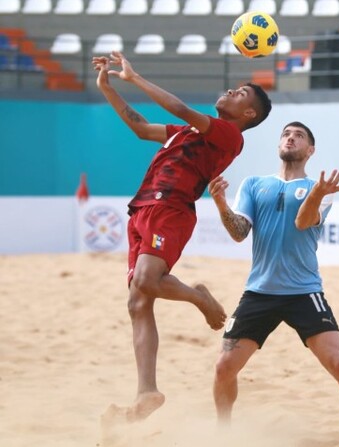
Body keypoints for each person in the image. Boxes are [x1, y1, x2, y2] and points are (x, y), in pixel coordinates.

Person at [92, 51, 272, 423]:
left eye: (240, 93)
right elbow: (141, 128)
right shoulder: (190, 133)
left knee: (146, 280)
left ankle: (199, 298)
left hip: (171, 207)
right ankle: (147, 392)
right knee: (137, 303)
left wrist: (134, 78)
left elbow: (178, 107)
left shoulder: (228, 134)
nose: (230, 91)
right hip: (142, 209)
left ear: (247, 115)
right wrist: (108, 89)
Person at [208, 122, 339, 442]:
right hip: (259, 292)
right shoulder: (254, 184)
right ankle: (224, 434)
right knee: (224, 367)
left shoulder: (320, 189)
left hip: (304, 292)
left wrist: (318, 192)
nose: (290, 138)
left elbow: (303, 221)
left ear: (310, 150)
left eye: (299, 135)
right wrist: (222, 203)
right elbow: (239, 233)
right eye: (285, 134)